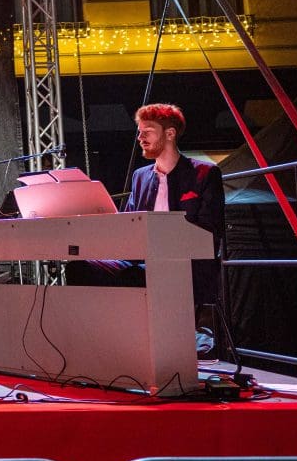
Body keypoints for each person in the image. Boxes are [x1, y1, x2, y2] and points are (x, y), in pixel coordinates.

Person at [67, 103, 225, 350]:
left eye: (147, 131)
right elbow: (129, 223)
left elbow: (209, 231)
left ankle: (142, 342)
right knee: (79, 268)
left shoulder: (204, 173)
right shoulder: (140, 176)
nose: (140, 137)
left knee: (137, 277)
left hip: (184, 265)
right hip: (143, 262)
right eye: (139, 131)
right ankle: (98, 343)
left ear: (170, 133)